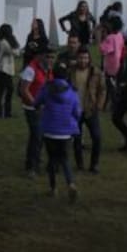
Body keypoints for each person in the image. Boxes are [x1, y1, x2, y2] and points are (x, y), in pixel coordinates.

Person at [35, 62, 81, 201]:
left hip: (49, 130)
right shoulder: (72, 92)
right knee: (65, 159)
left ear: (53, 74)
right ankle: (70, 183)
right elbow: (77, 112)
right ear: (66, 76)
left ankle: (53, 188)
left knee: (52, 160)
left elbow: (36, 103)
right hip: (66, 131)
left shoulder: (46, 88)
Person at [18, 46, 54, 176]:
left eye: (52, 57)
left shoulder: (48, 69)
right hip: (32, 108)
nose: (50, 59)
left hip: (44, 108)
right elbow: (24, 90)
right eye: (48, 57)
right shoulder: (30, 69)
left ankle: (34, 163)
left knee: (39, 137)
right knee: (37, 136)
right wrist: (35, 104)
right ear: (39, 56)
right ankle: (32, 167)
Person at [70, 46, 105, 175]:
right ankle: (79, 164)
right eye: (80, 58)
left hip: (90, 109)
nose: (83, 60)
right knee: (77, 140)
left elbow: (102, 89)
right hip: (75, 111)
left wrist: (99, 105)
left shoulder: (96, 72)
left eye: (85, 58)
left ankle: (94, 164)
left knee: (97, 137)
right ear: (77, 58)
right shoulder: (71, 71)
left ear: (89, 58)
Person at [0, 23, 20, 119]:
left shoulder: (0, 41)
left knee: (3, 90)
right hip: (4, 69)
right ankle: (4, 112)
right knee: (6, 90)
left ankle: (3, 112)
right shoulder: (3, 42)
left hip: (4, 69)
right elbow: (16, 52)